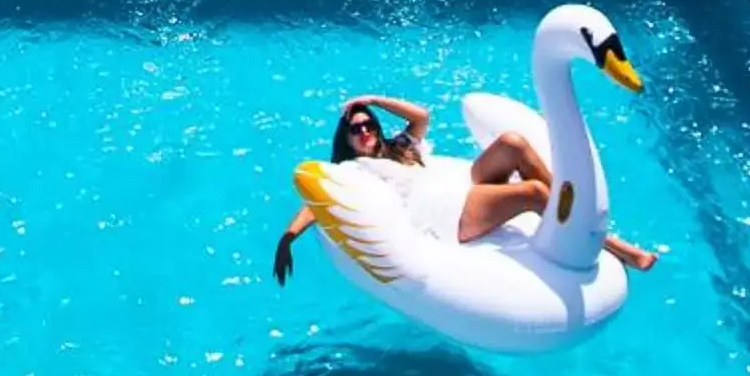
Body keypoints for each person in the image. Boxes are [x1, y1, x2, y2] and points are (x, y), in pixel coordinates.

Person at [273, 92, 656, 283]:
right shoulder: (352, 169)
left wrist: (371, 100)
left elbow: (422, 116)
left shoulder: (399, 149)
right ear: (346, 139)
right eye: (356, 129)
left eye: (368, 124)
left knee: (513, 143)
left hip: (457, 192)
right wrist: (288, 238)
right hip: (447, 217)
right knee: (536, 194)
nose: (364, 132)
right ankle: (614, 244)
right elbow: (317, 201)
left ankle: (574, 211)